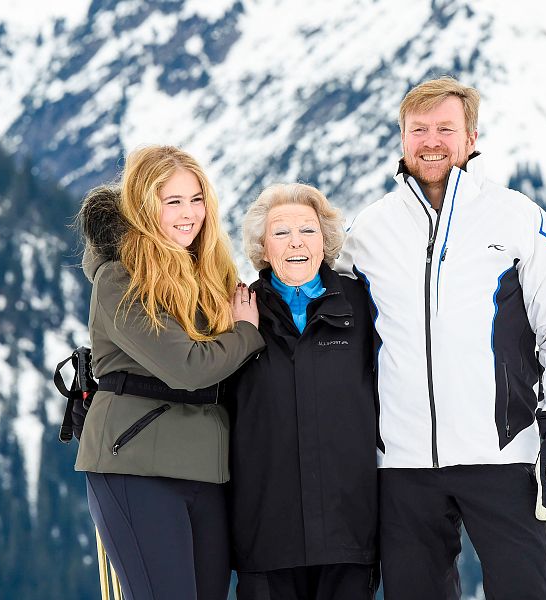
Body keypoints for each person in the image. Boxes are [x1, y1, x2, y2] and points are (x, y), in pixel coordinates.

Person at [337, 77, 546, 599]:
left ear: (471, 136)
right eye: (418, 129)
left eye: (444, 128)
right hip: (403, 465)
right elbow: (341, 339)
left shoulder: (517, 217)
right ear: (402, 137)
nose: (430, 141)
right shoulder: (369, 232)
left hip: (503, 455)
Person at [74, 145, 265, 600]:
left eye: (196, 199)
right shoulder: (120, 277)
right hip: (135, 465)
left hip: (206, 469)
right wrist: (244, 333)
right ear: (144, 205)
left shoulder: (210, 272)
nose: (189, 214)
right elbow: (188, 368)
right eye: (172, 201)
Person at [226, 183, 379, 600]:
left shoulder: (361, 305)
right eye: (281, 232)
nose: (296, 242)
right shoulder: (237, 310)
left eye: (308, 231)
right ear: (262, 246)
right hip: (266, 534)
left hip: (348, 529)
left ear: (325, 241)